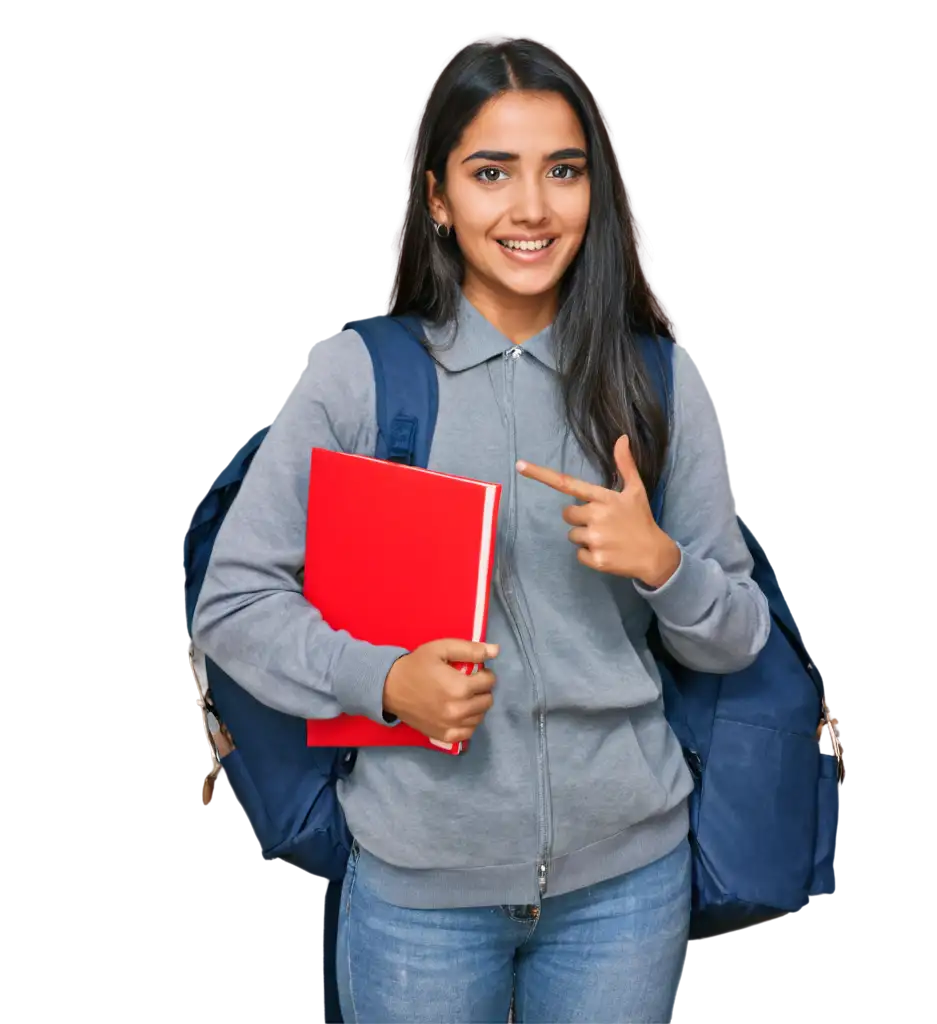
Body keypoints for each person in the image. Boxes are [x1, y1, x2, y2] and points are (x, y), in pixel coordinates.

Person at [191, 37, 770, 1024]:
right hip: (418, 896)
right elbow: (234, 604)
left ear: (595, 193)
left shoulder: (663, 383)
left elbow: (740, 634)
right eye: (490, 171)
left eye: (564, 170)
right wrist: (383, 682)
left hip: (626, 888)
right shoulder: (357, 378)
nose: (532, 208)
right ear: (438, 199)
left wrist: (665, 568)